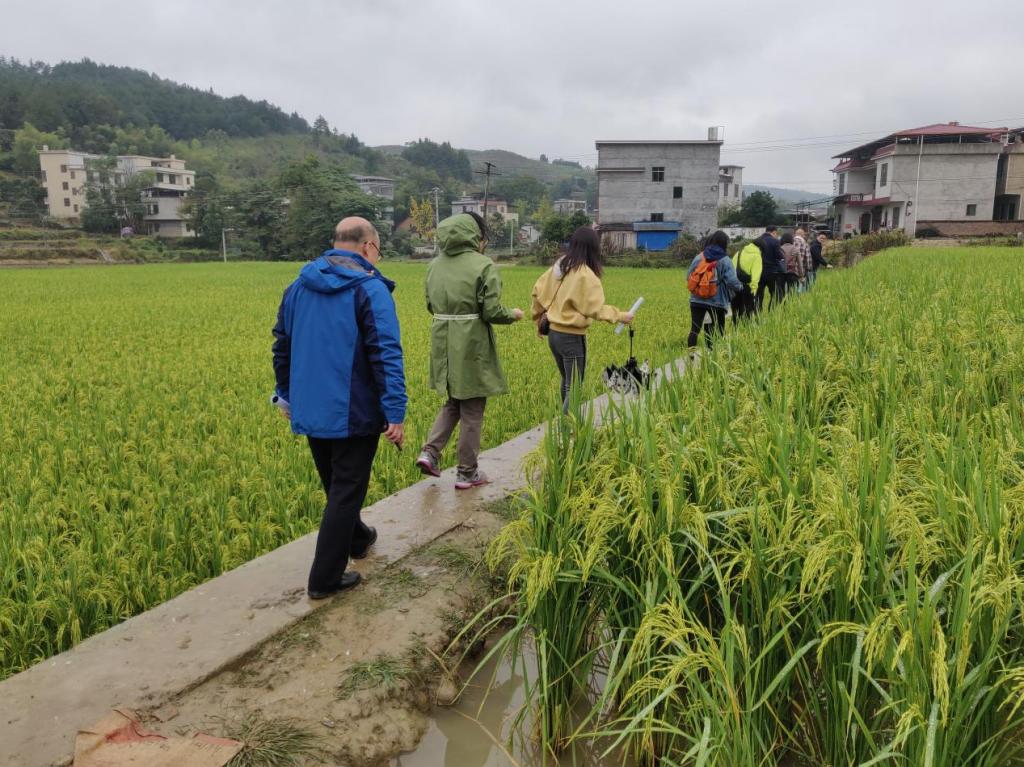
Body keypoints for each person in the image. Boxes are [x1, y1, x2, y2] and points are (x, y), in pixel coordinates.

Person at [272, 217, 406, 600]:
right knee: (346, 491)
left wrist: (286, 395)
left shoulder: (297, 287)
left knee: (338, 486)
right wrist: (394, 411)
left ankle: (359, 539)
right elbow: (385, 353)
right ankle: (324, 579)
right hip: (354, 411)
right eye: (378, 250)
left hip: (311, 408)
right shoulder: (369, 289)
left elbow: (282, 346)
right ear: (368, 247)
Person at [415, 213, 523, 489]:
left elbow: (430, 305)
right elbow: (491, 310)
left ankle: (430, 452)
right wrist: (513, 314)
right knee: (473, 408)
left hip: (443, 340)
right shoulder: (483, 264)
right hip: (471, 342)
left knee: (453, 401)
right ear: (475, 236)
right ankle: (467, 472)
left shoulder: (434, 265)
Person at [530, 226, 634, 410]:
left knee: (567, 382)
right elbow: (595, 309)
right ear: (593, 248)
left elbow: (537, 292)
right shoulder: (585, 274)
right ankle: (566, 425)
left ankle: (566, 423)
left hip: (554, 335)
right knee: (575, 388)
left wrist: (538, 318)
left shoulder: (559, 267)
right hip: (571, 337)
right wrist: (620, 316)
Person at [686, 230, 743, 350]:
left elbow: (688, 276)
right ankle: (712, 354)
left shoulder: (699, 257)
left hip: (696, 300)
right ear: (724, 243)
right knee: (717, 330)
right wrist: (740, 287)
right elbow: (731, 281)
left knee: (694, 330)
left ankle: (691, 356)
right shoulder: (725, 260)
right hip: (717, 302)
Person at [753, 225, 786, 309]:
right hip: (772, 272)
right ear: (774, 232)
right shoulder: (775, 241)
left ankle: (757, 313)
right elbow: (779, 256)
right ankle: (771, 311)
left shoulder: (757, 240)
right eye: (776, 234)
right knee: (776, 294)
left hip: (758, 272)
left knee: (758, 295)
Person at [731, 238, 762, 323]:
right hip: (748, 288)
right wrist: (754, 291)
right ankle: (745, 329)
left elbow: (731, 269)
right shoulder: (757, 256)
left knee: (736, 311)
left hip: (735, 286)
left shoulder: (739, 253)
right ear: (760, 248)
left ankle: (735, 327)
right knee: (747, 312)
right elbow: (755, 276)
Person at [780, 231, 804, 298]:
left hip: (781, 274)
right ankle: (790, 304)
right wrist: (801, 276)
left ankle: (782, 304)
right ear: (791, 239)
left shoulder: (779, 248)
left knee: (781, 293)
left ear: (783, 239)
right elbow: (800, 264)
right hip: (792, 274)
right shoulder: (795, 249)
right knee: (791, 293)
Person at [793, 228, 812, 292]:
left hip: (789, 271)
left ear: (795, 234)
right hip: (801, 271)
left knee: (790, 289)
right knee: (799, 289)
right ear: (802, 235)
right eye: (804, 235)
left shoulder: (789, 242)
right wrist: (809, 268)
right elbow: (807, 259)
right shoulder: (805, 244)